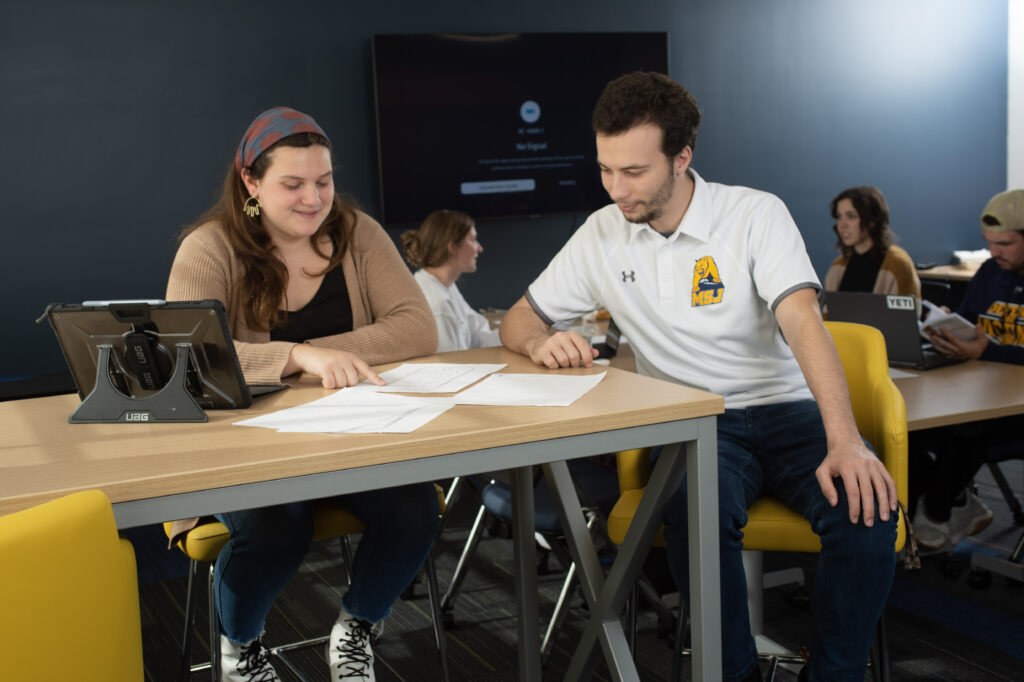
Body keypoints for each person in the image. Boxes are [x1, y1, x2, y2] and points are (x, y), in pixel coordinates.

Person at [499, 72, 898, 682]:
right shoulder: (601, 234)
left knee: (868, 515)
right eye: (605, 169)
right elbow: (520, 318)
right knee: (695, 515)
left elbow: (803, 322)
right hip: (698, 422)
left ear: (682, 158)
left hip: (790, 410)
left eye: (634, 172)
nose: (615, 189)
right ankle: (728, 674)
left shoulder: (753, 214)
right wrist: (540, 340)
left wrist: (844, 438)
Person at [166, 107, 439, 682]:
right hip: (243, 448)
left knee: (415, 507)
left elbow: (417, 324)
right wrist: (297, 357)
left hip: (350, 439)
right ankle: (240, 650)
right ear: (250, 183)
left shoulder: (358, 232)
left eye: (324, 180)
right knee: (276, 527)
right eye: (292, 184)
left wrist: (315, 344)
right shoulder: (208, 247)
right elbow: (190, 358)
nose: (314, 199)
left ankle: (357, 626)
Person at [910, 189, 1024, 550]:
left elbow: (985, 346)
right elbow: (972, 324)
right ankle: (949, 500)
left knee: (968, 425)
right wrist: (948, 330)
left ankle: (938, 507)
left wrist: (986, 349)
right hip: (982, 387)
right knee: (903, 425)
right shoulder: (990, 272)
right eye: (990, 243)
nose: (994, 252)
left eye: (1005, 243)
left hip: (1013, 407)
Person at [400, 209, 501, 352]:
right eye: (472, 240)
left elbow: (478, 335)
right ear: (453, 247)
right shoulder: (437, 302)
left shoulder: (445, 287)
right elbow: (452, 365)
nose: (480, 248)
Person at [824, 186, 921, 297]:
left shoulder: (898, 263)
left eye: (851, 216)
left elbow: (908, 312)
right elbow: (827, 312)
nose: (842, 225)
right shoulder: (838, 266)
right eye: (839, 216)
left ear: (872, 221)